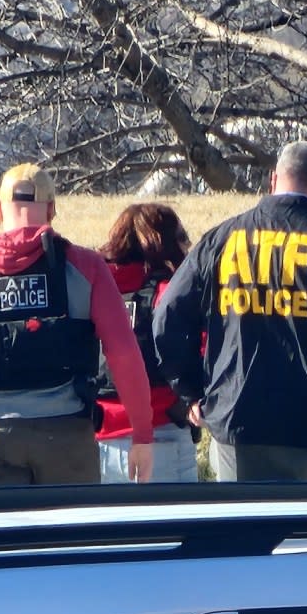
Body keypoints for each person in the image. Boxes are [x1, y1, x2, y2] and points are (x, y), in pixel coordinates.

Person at [153, 141, 307, 482]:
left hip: (238, 423)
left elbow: (167, 316)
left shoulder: (220, 241)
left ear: (272, 180)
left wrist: (191, 390)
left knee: (246, 532)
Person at [0, 163, 153, 484]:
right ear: (51, 210)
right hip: (66, 436)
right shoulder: (85, 265)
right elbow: (123, 354)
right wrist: (142, 435)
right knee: (69, 534)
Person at [96, 203, 199, 483]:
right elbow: (203, 350)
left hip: (95, 443)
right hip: (160, 436)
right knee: (173, 528)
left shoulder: (91, 288)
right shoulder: (170, 290)